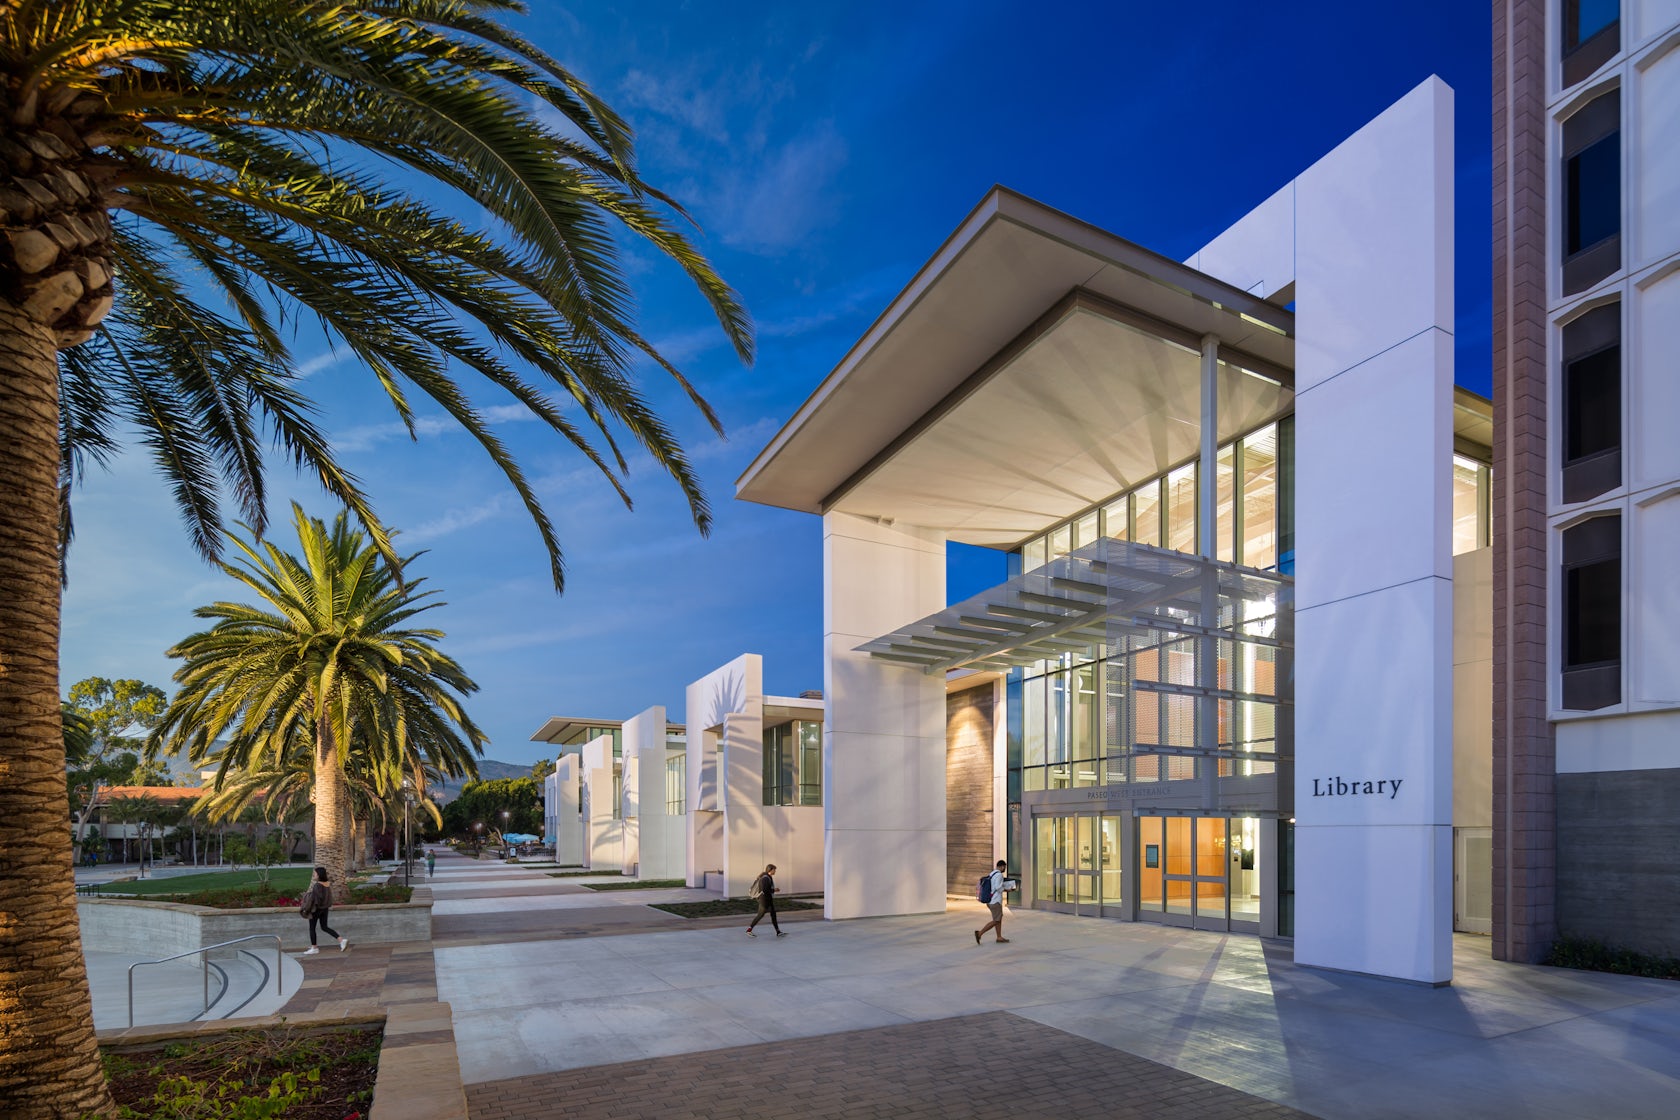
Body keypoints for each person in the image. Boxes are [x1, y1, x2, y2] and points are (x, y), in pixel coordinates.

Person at [300, 865, 349, 955]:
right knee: (324, 927)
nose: (314, 875)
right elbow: (327, 898)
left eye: (314, 874)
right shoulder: (326, 884)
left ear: (319, 875)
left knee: (312, 928)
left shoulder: (317, 886)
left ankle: (314, 948)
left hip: (316, 909)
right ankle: (341, 940)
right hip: (324, 909)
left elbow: (317, 899)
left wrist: (309, 904)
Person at [975, 859, 1018, 945]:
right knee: (996, 920)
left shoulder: (992, 873)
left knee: (998, 919)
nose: (1004, 869)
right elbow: (998, 888)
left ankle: (999, 937)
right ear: (1001, 866)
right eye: (1004, 867)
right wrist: (1007, 890)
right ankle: (979, 933)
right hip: (995, 901)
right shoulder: (999, 875)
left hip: (990, 900)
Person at [745, 863, 785, 938]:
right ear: (771, 870)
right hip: (764, 901)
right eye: (774, 870)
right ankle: (749, 930)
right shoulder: (765, 878)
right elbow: (765, 890)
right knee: (760, 915)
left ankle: (778, 931)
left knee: (773, 915)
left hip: (768, 900)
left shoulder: (768, 877)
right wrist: (774, 890)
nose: (775, 871)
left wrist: (773, 891)